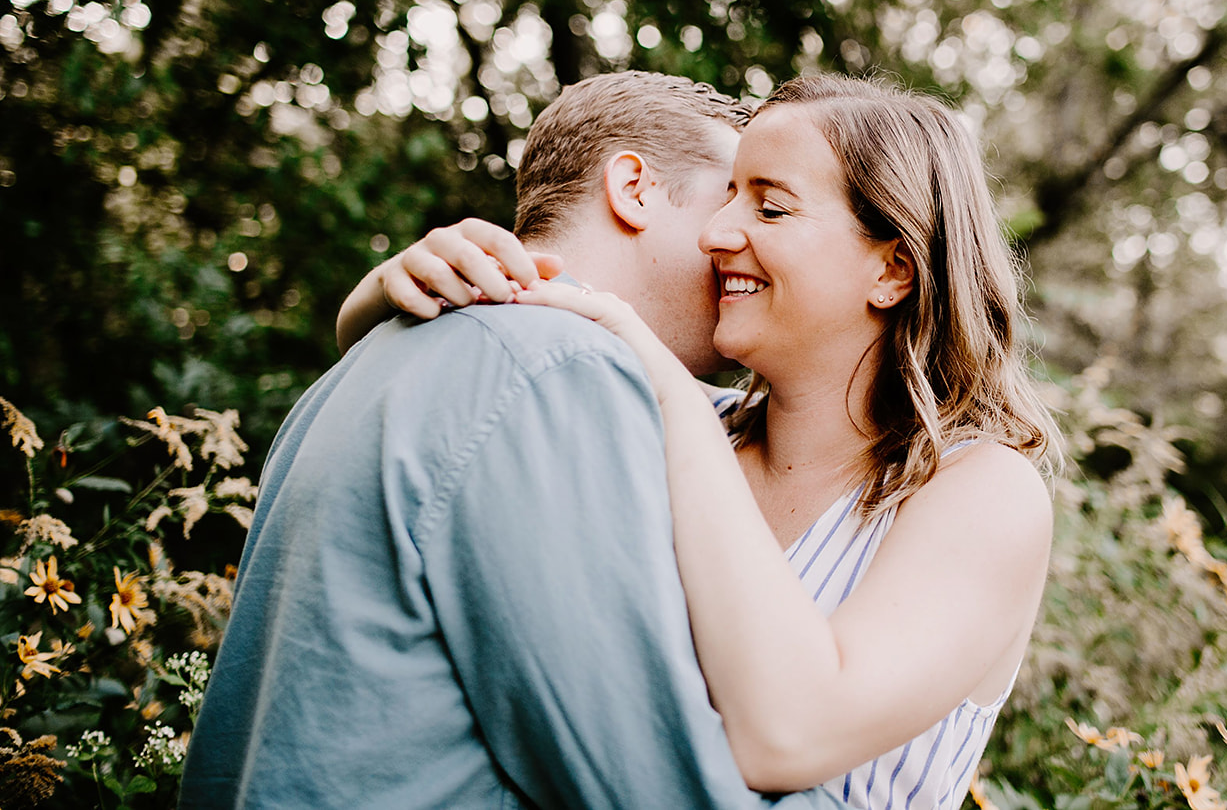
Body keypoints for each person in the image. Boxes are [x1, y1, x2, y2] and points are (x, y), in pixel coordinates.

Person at [345, 74, 1062, 810]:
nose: (717, 234)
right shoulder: (670, 421)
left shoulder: (981, 493)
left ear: (892, 268)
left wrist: (659, 380)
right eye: (726, 197)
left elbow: (790, 733)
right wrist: (391, 286)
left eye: (770, 206)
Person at [180, 72, 847, 810]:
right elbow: (647, 773)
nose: (734, 238)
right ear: (633, 188)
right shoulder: (564, 372)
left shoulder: (358, 367)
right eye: (728, 196)